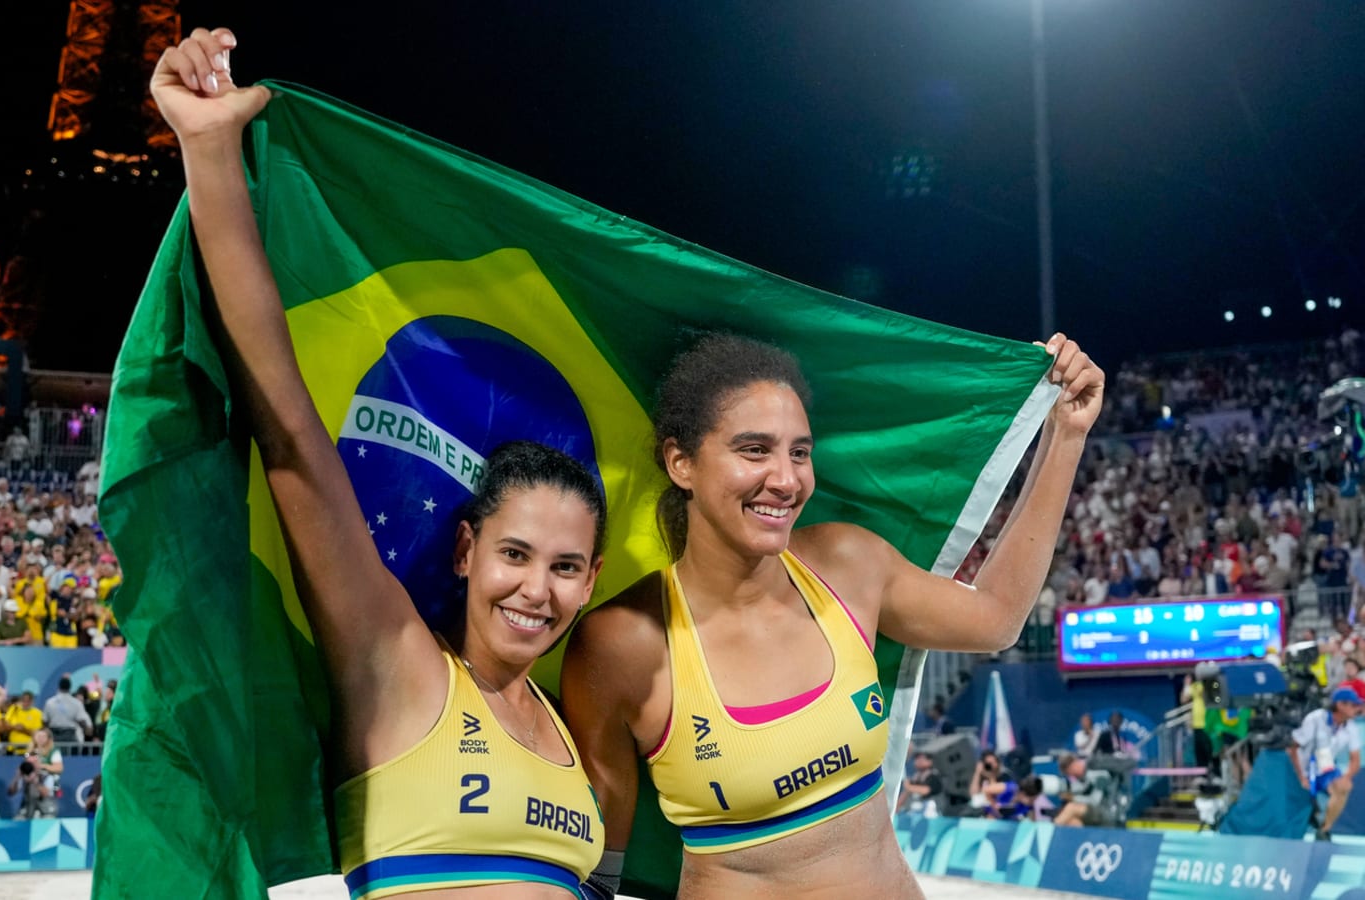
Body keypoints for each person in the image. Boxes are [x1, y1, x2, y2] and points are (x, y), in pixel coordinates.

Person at [151, 29, 609, 896]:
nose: (536, 588)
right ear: (468, 549)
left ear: (590, 583)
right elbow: (288, 431)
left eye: (565, 566)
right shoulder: (394, 661)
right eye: (515, 554)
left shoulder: (565, 731)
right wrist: (209, 152)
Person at [564, 331, 1101, 898]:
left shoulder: (846, 564)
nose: (787, 479)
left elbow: (995, 618)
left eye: (799, 452)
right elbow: (598, 869)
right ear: (681, 462)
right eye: (754, 450)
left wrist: (1066, 434)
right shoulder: (624, 641)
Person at [1288, 686, 1364, 841]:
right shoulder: (1315, 719)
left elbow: (1355, 760)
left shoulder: (1352, 727)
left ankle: (1324, 829)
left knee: (1345, 786)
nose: (1357, 709)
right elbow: (1293, 748)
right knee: (1298, 803)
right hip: (1302, 765)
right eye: (1353, 705)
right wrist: (1301, 777)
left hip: (1325, 764)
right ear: (1340, 705)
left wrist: (1346, 776)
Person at [895, 752, 945, 816]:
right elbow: (905, 794)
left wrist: (909, 787)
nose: (919, 760)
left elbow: (926, 790)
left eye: (922, 758)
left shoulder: (934, 776)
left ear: (930, 761)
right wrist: (897, 807)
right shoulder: (914, 778)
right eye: (917, 758)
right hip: (916, 813)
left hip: (932, 813)